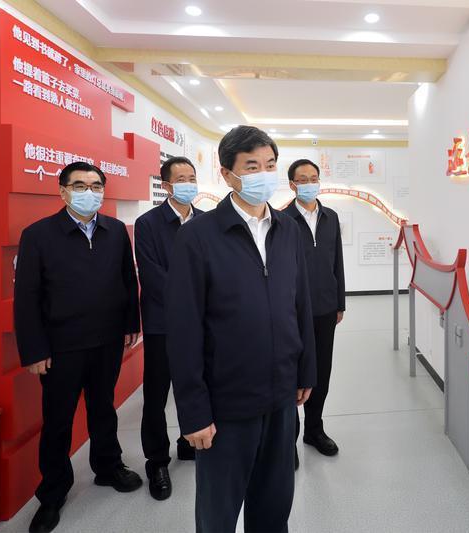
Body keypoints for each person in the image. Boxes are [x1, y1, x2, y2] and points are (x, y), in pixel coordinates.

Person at [166, 126, 317, 532]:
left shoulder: (287, 230)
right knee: (218, 515)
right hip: (226, 404)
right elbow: (183, 329)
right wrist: (193, 411)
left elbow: (300, 304)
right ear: (227, 174)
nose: (263, 174)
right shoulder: (198, 236)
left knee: (273, 508)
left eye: (270, 165)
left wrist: (305, 371)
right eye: (251, 167)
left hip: (281, 397)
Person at [14, 162, 143, 533]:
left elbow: (127, 280)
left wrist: (131, 323)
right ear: (63, 191)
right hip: (61, 347)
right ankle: (53, 492)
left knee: (104, 409)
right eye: (81, 185)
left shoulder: (115, 231)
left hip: (107, 341)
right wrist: (34, 350)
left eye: (96, 185)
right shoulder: (38, 235)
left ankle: (108, 466)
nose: (90, 192)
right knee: (58, 420)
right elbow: (27, 297)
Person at [135, 156, 205, 500]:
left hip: (202, 323)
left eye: (192, 177)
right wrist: (189, 302)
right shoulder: (148, 224)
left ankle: (188, 441)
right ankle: (157, 461)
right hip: (163, 324)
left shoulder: (206, 221)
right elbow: (151, 276)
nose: (188, 183)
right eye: (181, 178)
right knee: (157, 394)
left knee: (194, 384)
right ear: (166, 186)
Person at [283, 159, 345, 468]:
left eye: (314, 178)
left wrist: (340, 301)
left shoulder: (331, 217)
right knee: (292, 373)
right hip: (291, 310)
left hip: (325, 308)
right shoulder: (282, 220)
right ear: (292, 184)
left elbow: (337, 262)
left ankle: (314, 429)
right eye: (303, 179)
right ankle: (288, 439)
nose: (310, 183)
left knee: (321, 372)